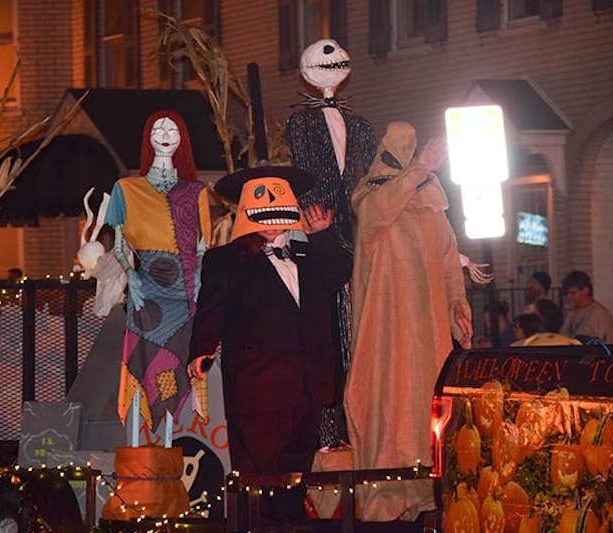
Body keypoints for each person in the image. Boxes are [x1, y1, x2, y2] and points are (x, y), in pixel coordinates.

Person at [187, 166, 352, 525]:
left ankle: (291, 525)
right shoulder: (227, 260)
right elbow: (211, 309)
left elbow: (339, 276)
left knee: (295, 480)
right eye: (262, 213)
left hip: (308, 386)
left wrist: (323, 235)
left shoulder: (306, 255)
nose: (272, 222)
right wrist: (202, 348)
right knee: (260, 482)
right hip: (258, 389)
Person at [344, 122, 472, 521]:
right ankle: (386, 498)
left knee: (427, 406)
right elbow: (374, 216)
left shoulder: (433, 204)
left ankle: (426, 491)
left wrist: (458, 308)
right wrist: (419, 169)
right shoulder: (372, 197)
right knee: (389, 403)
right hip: (386, 332)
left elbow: (449, 260)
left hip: (429, 330)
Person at [286, 38, 377, 447]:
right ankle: (328, 435)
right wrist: (311, 217)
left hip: (357, 233)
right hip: (321, 232)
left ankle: (359, 430)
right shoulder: (301, 124)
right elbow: (303, 169)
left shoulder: (360, 127)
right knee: (327, 337)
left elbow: (372, 179)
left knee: (357, 333)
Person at [105, 110, 212, 433]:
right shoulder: (126, 189)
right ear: (148, 139)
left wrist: (198, 283)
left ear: (182, 140)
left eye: (172, 130)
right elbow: (120, 244)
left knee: (178, 367)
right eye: (157, 129)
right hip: (147, 294)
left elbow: (205, 246)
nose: (165, 134)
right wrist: (132, 278)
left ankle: (171, 447)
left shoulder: (196, 192)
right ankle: (146, 453)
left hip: (185, 297)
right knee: (147, 368)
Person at [560, 270, 613, 343]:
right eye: (566, 294)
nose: (568, 297)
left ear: (585, 290)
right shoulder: (570, 313)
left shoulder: (599, 314)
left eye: (573, 293)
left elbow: (606, 344)